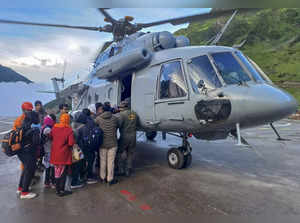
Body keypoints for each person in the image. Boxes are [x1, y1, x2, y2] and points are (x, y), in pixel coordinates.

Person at [17, 111, 41, 199]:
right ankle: (24, 192)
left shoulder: (22, 126)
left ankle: (20, 188)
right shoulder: (33, 129)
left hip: (21, 152)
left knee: (25, 169)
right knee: (29, 171)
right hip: (29, 152)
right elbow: (36, 143)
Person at [50, 114, 75, 197]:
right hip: (63, 155)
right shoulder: (69, 129)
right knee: (62, 173)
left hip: (54, 153)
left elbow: (51, 137)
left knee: (57, 172)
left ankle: (57, 190)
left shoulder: (54, 127)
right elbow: (71, 143)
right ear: (68, 120)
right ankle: (61, 190)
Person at [76, 108, 102, 184]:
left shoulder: (77, 119)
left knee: (81, 161)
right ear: (90, 113)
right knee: (90, 160)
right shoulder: (91, 121)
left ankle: (81, 175)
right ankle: (89, 177)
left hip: (79, 145)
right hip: (88, 144)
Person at [95, 104, 119, 186]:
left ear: (102, 110)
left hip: (102, 143)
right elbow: (117, 126)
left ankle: (102, 178)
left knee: (103, 161)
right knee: (111, 162)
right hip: (113, 143)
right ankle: (110, 179)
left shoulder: (98, 119)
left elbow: (95, 126)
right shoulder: (115, 118)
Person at [115, 98, 138, 177]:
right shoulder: (134, 114)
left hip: (124, 136)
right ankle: (128, 169)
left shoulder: (121, 115)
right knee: (130, 153)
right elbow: (137, 124)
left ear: (123, 107)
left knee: (119, 152)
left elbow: (118, 125)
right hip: (133, 136)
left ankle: (121, 169)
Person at [42, 114, 56, 188]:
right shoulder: (48, 129)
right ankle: (52, 182)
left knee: (48, 167)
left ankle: (47, 182)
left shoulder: (43, 127)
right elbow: (52, 138)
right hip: (49, 150)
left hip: (46, 150)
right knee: (52, 166)